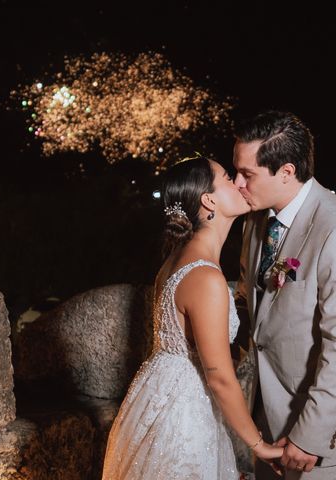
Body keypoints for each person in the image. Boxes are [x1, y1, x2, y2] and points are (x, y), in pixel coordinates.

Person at [232, 111, 336, 479]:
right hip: (271, 416)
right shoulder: (256, 220)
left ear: (286, 172)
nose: (236, 183)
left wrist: (309, 437)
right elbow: (252, 304)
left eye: (246, 174)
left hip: (329, 435)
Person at [102, 156, 283, 479]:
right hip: (182, 415)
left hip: (157, 399)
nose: (239, 182)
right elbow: (220, 377)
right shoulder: (205, 277)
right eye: (228, 177)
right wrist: (260, 446)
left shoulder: (175, 260)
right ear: (208, 199)